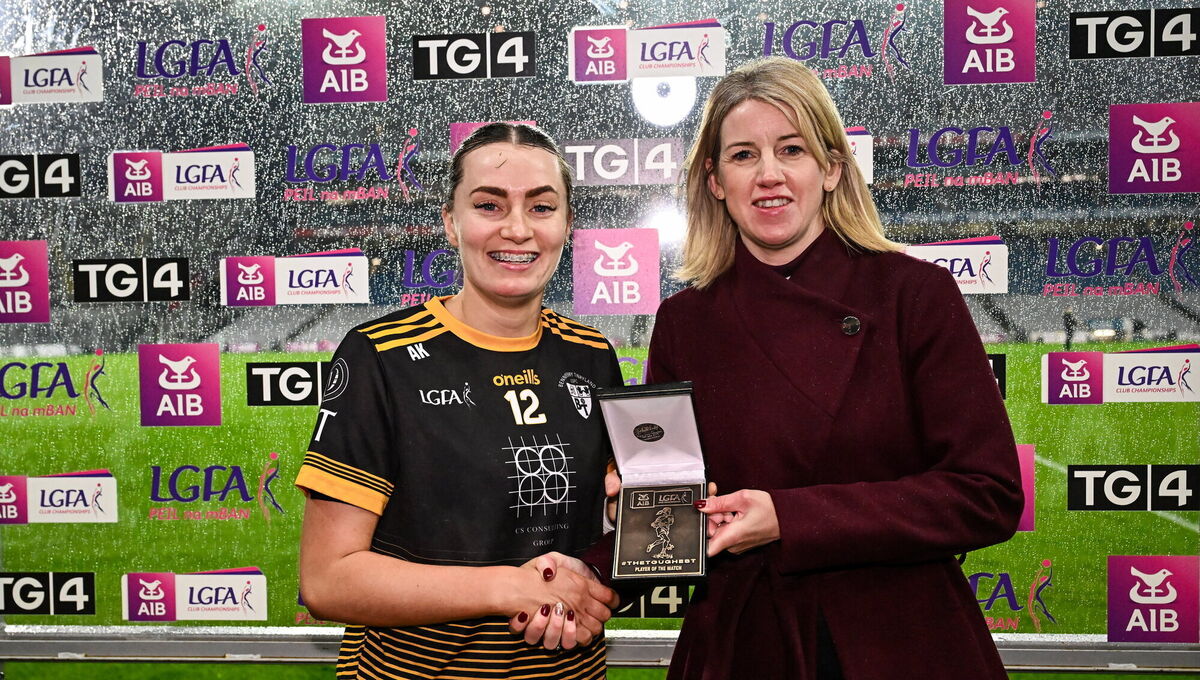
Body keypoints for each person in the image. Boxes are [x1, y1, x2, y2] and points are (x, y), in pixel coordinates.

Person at [643, 57, 1023, 679]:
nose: (769, 174)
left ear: (831, 168)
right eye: (743, 155)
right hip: (744, 644)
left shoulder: (915, 294)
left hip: (901, 643)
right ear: (714, 181)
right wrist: (612, 539)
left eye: (791, 149)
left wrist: (791, 519)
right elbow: (672, 504)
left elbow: (989, 495)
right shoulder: (684, 320)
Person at [296, 123, 621, 679]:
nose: (517, 229)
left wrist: (601, 581)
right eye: (490, 205)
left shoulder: (593, 356)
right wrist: (508, 588)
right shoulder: (379, 356)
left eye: (542, 208)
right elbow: (328, 580)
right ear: (451, 222)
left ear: (567, 226)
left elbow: (606, 537)